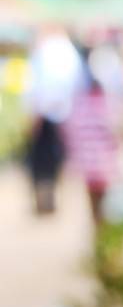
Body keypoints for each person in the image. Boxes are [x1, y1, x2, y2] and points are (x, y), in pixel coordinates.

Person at [24, 26, 83, 214]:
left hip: (47, 116)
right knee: (55, 160)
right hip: (64, 115)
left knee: (43, 162)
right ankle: (50, 198)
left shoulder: (44, 51)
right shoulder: (68, 52)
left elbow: (34, 88)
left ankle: (46, 199)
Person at [63, 54, 121, 223]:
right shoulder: (109, 104)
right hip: (104, 162)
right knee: (104, 202)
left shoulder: (81, 103)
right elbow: (117, 130)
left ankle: (98, 229)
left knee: (94, 202)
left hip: (88, 162)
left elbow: (71, 131)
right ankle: (102, 232)